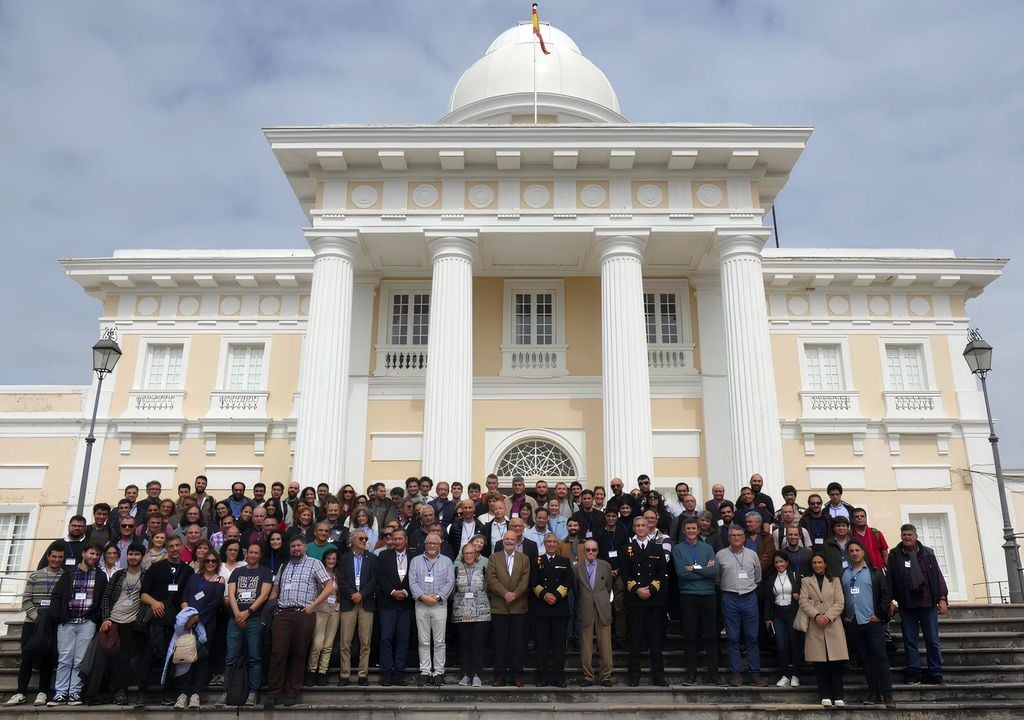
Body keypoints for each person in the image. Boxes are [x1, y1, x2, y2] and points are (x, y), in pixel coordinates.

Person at [264, 536, 334, 707]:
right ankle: (274, 692)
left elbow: (329, 586)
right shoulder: (284, 565)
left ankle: (292, 692)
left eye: (299, 545)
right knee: (278, 653)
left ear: (305, 547)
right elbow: (275, 589)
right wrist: (273, 608)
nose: (295, 548)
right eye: (293, 546)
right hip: (282, 614)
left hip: (303, 613)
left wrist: (313, 606)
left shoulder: (314, 563)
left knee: (298, 653)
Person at [887, 523, 949, 685]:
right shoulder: (894, 555)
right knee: (909, 640)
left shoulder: (927, 553)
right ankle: (914, 671)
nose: (906, 537)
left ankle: (935, 672)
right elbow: (890, 580)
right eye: (904, 535)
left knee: (932, 640)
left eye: (909, 534)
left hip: (927, 602)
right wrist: (891, 601)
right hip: (907, 604)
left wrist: (942, 598)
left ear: (916, 536)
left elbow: (937, 576)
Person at [49, 541, 107, 706]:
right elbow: (57, 596)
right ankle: (60, 693)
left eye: (97, 555)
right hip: (67, 622)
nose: (94, 557)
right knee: (65, 657)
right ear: (83, 553)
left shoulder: (100, 575)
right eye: (91, 553)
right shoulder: (69, 573)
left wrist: (96, 618)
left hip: (87, 622)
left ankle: (74, 692)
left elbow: (103, 599)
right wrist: (58, 615)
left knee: (80, 659)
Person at [7, 543, 65, 707]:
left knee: (48, 657)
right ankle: (20, 692)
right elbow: (26, 600)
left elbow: (62, 602)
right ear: (48, 557)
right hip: (32, 623)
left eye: (60, 557)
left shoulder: (65, 577)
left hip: (51, 623)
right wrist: (37, 618)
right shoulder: (35, 576)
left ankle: (42, 692)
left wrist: (50, 619)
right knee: (26, 657)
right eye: (54, 556)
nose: (56, 560)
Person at [841, 539, 895, 707]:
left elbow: (886, 595)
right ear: (848, 554)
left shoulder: (875, 572)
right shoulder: (844, 574)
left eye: (857, 550)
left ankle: (887, 695)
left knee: (880, 658)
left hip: (872, 621)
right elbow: (841, 596)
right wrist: (846, 616)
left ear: (863, 552)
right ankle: (874, 693)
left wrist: (880, 616)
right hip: (854, 622)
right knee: (865, 659)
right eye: (851, 551)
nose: (854, 553)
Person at [220, 542, 272, 707]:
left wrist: (248, 612)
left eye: (256, 553)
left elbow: (264, 596)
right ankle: (226, 691)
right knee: (230, 657)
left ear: (260, 555)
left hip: (254, 619)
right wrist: (237, 615)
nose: (253, 555)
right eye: (250, 552)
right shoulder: (237, 571)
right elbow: (231, 594)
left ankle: (253, 692)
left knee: (255, 657)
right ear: (246, 554)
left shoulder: (265, 572)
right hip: (235, 619)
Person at [619, 515, 668, 687]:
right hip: (635, 599)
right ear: (633, 529)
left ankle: (658, 676)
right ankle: (633, 675)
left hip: (653, 599)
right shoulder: (627, 548)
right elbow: (625, 574)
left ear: (648, 528)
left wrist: (651, 589)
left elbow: (663, 572)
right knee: (635, 639)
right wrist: (637, 589)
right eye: (637, 526)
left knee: (656, 640)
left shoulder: (657, 548)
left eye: (643, 525)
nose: (640, 528)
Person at [174, 552, 226, 709]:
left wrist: (196, 618)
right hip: (187, 622)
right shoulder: (194, 577)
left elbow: (214, 604)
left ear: (217, 563)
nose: (210, 563)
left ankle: (196, 693)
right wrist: (187, 613)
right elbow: (184, 597)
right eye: (207, 560)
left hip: (206, 623)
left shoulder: (219, 580)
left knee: (201, 657)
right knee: (185, 656)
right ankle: (183, 693)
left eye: (213, 561)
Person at [672, 517, 720, 685]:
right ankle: (691, 673)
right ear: (684, 531)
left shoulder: (707, 548)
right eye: (688, 529)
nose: (691, 531)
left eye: (694, 528)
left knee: (711, 635)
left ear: (699, 530)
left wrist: (693, 568)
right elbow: (681, 573)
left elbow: (714, 571)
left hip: (708, 595)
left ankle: (713, 673)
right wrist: (703, 569)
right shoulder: (677, 549)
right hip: (688, 596)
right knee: (690, 635)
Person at [717, 523, 766, 687]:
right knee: (732, 637)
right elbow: (717, 578)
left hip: (749, 597)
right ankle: (736, 673)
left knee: (752, 638)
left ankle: (755, 673)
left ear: (744, 537)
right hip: (729, 597)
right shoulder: (721, 555)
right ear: (728, 538)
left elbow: (758, 578)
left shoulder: (752, 555)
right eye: (733, 536)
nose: (736, 538)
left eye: (739, 535)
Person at [798, 552, 849, 707]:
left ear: (825, 564)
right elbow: (803, 601)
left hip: (832, 624)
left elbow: (840, 602)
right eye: (814, 563)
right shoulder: (806, 581)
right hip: (815, 624)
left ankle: (838, 695)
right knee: (820, 663)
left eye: (820, 562)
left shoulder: (835, 581)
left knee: (836, 662)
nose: (817, 565)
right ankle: (825, 694)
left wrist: (827, 617)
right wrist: (817, 615)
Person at [99, 543, 146, 705]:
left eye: (137, 554)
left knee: (125, 659)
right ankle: (104, 691)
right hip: (113, 621)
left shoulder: (145, 576)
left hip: (132, 622)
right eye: (131, 554)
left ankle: (121, 692)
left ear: (142, 556)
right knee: (108, 657)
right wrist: (106, 618)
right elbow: (105, 597)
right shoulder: (119, 575)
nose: (133, 557)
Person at [409, 533, 455, 685]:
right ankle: (425, 670)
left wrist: (437, 597)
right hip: (421, 604)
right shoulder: (416, 561)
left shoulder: (447, 561)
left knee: (439, 640)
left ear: (439, 544)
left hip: (439, 605)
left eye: (435, 543)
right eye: (429, 543)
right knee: (423, 640)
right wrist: (423, 597)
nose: (432, 546)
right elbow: (412, 581)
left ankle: (439, 672)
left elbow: (450, 582)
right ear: (425, 544)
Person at [486, 531, 530, 687]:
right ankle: (500, 676)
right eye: (507, 539)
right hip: (500, 607)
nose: (510, 541)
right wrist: (505, 594)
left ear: (517, 541)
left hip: (518, 607)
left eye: (512, 539)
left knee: (518, 644)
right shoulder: (493, 558)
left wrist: (515, 594)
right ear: (502, 541)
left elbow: (525, 580)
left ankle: (517, 675)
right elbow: (491, 579)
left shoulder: (524, 559)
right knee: (500, 643)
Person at [531, 533, 574, 687]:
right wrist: (545, 595)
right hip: (542, 608)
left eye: (554, 542)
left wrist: (555, 596)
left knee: (558, 646)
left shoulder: (565, 561)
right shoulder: (537, 561)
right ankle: (542, 677)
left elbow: (568, 582)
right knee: (542, 646)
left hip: (559, 608)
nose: (551, 544)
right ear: (544, 543)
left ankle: (559, 677)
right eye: (548, 541)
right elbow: (534, 582)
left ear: (558, 544)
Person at [337, 529, 379, 686]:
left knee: (365, 641)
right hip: (349, 603)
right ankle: (344, 674)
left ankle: (363, 674)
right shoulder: (344, 558)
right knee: (345, 642)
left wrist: (361, 594)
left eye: (366, 538)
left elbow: (374, 580)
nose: (364, 540)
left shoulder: (372, 559)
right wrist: (352, 594)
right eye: (361, 538)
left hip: (366, 603)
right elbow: (340, 579)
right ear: (352, 540)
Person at [376, 528, 413, 686]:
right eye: (394, 539)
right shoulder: (384, 556)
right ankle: (386, 672)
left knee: (403, 639)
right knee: (386, 638)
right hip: (388, 603)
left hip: (406, 603)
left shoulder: (415, 556)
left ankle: (399, 672)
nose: (397, 541)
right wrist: (392, 592)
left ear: (406, 540)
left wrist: (404, 591)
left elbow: (416, 576)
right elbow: (380, 577)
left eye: (400, 539)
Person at [575, 539, 614, 687]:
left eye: (594, 550)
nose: (591, 552)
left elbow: (609, 587)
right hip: (585, 608)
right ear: (584, 551)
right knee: (586, 645)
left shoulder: (605, 566)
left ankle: (606, 676)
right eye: (588, 550)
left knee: (605, 644)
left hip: (602, 608)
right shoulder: (577, 568)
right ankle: (588, 676)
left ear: (598, 551)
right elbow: (576, 590)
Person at [762, 551, 802, 688]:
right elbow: (768, 600)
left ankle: (795, 674)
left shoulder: (796, 576)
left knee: (794, 644)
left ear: (787, 562)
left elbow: (805, 594)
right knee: (781, 645)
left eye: (781, 561)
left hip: (793, 613)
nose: (779, 564)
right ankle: (785, 674)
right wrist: (767, 617)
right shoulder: (771, 578)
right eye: (776, 562)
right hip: (778, 614)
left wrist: (799, 596)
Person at [453, 542, 490, 687]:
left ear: (476, 555)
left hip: (481, 613)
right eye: (466, 553)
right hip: (461, 612)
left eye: (471, 553)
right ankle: (465, 674)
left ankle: (476, 675)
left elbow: (488, 587)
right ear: (463, 555)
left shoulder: (484, 569)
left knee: (478, 644)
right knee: (465, 645)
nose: (469, 555)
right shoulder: (456, 569)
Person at [306, 548, 340, 686]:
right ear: (324, 560)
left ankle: (322, 672)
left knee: (328, 644)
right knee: (317, 644)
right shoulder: (319, 574)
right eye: (329, 558)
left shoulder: (338, 575)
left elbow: (339, 593)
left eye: (333, 559)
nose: (331, 561)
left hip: (334, 611)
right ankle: (311, 671)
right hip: (320, 610)